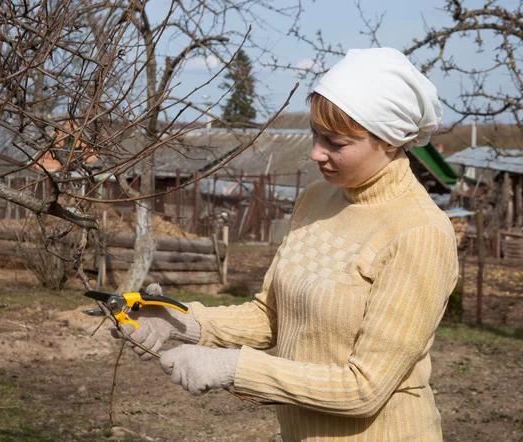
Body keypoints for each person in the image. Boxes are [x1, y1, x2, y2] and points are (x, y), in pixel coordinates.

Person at [112, 48, 459, 441]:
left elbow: (364, 388)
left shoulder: (419, 232)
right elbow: (272, 317)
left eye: (335, 142)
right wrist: (181, 320)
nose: (315, 152)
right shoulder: (316, 199)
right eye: (314, 133)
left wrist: (233, 368)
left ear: (391, 142)